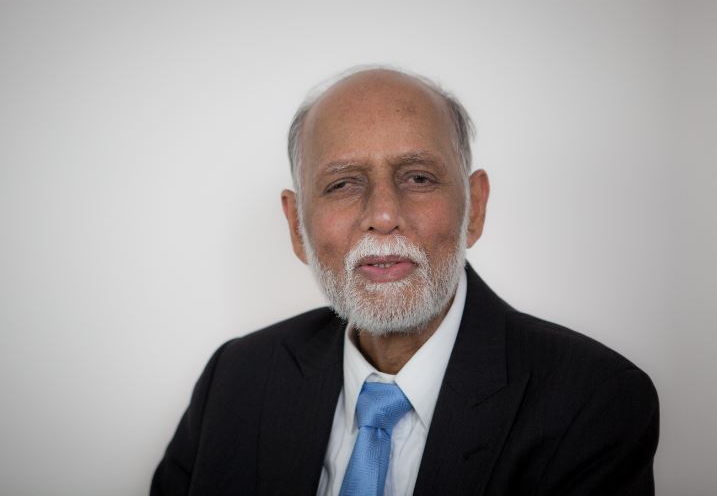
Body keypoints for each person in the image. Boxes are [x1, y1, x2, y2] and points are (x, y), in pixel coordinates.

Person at [151, 67, 659, 496]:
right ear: (296, 226)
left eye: (417, 177)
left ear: (475, 207)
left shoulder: (594, 402)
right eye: (343, 183)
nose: (384, 215)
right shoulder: (235, 380)